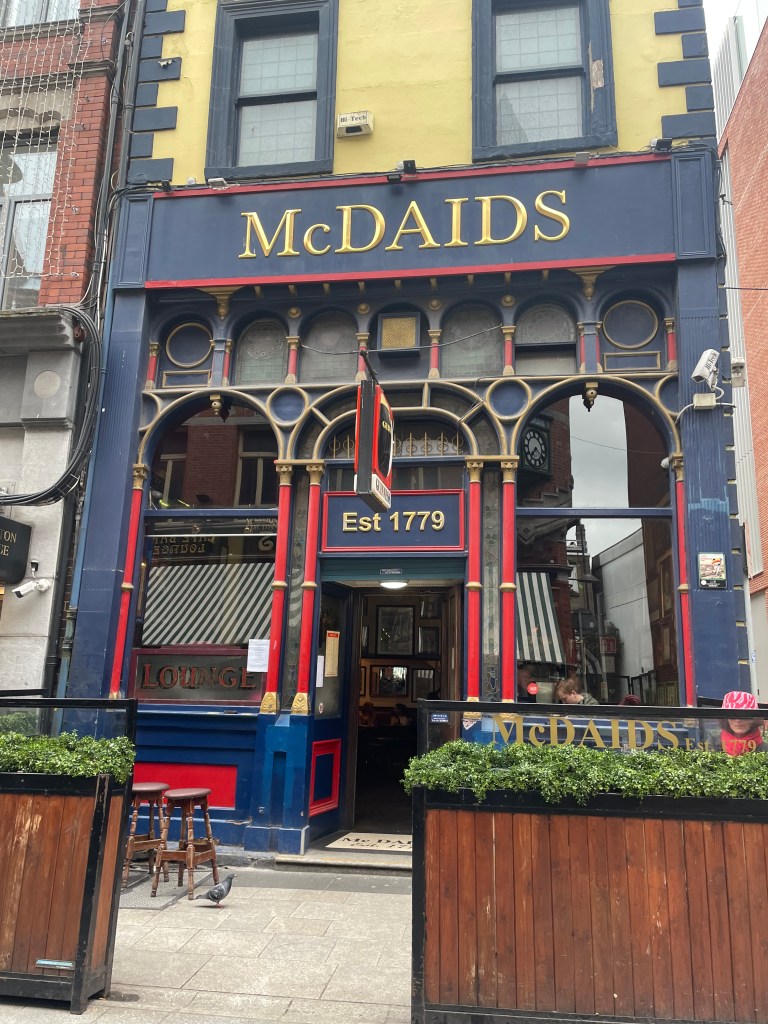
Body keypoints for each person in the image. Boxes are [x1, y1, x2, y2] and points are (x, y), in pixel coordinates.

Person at [718, 691, 768, 755]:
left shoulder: (765, 751)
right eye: (732, 715)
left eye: (745, 715)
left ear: (754, 719)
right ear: (726, 719)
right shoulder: (712, 745)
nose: (738, 720)